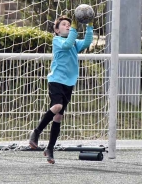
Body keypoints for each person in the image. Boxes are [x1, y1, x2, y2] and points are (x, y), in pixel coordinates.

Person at [28, 15, 94, 164]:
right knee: (56, 107)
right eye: (64, 24)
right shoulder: (57, 41)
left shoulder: (74, 43)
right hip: (56, 79)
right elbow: (67, 44)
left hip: (69, 83)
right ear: (56, 30)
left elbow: (86, 43)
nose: (68, 26)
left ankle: (50, 149)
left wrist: (89, 26)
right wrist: (75, 30)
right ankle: (36, 132)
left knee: (58, 116)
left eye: (70, 25)